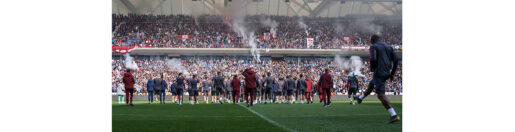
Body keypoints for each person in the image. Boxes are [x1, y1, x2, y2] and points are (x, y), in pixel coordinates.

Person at [355, 35, 400, 123]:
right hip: (387, 72)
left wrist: (372, 68)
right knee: (372, 84)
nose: (370, 43)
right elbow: (396, 59)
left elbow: (373, 58)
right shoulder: (389, 47)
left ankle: (394, 115)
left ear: (373, 40)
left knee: (380, 95)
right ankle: (360, 98)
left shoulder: (374, 46)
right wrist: (392, 73)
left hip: (379, 72)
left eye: (370, 41)